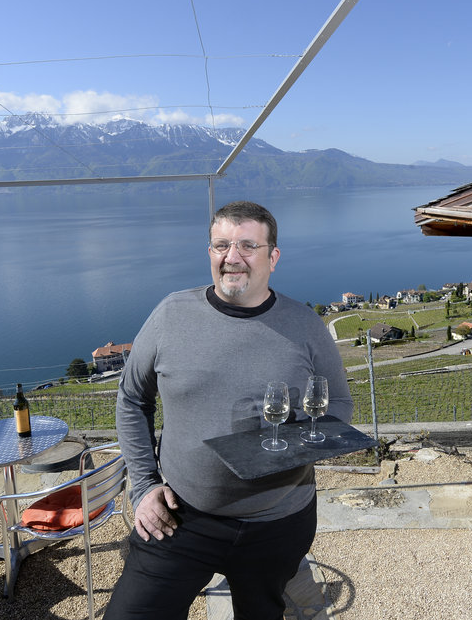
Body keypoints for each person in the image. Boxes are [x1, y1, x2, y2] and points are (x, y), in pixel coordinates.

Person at [105, 200, 354, 620]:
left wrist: (292, 445)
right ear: (209, 254)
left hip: (279, 523)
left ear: (272, 257)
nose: (232, 258)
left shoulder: (305, 325)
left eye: (247, 246)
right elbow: (132, 399)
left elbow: (340, 404)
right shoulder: (171, 314)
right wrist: (144, 486)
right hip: (180, 517)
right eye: (221, 245)